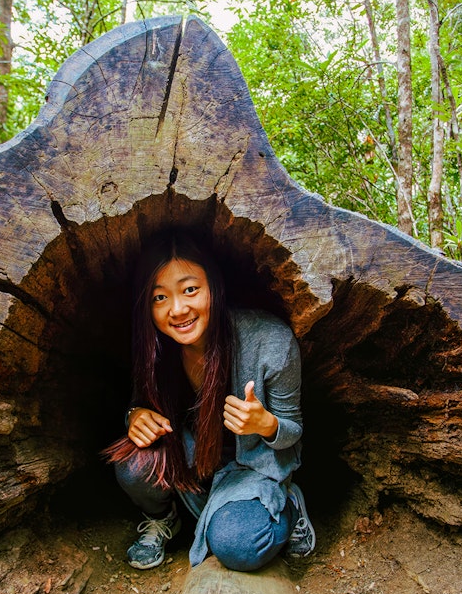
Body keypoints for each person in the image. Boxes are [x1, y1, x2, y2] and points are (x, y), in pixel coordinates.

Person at [103, 232, 315, 572]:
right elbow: (140, 401)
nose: (177, 309)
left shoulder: (270, 340)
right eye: (160, 297)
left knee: (237, 545)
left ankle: (286, 506)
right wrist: (135, 415)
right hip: (193, 460)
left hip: (253, 468)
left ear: (213, 286)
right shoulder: (157, 346)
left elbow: (294, 432)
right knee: (132, 465)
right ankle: (165, 519)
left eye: (190, 290)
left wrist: (266, 424)